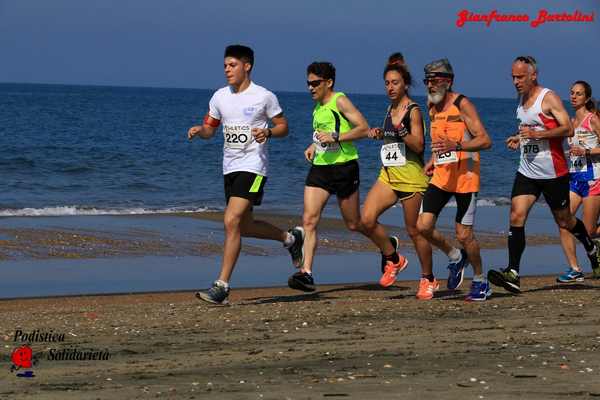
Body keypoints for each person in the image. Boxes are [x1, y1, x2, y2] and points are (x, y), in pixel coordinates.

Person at [188, 45, 304, 304]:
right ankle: (290, 238)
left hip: (254, 168)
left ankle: (222, 286)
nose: (227, 70)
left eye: (232, 65)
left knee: (231, 220)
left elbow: (283, 126)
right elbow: (211, 129)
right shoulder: (219, 97)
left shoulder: (264, 97)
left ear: (247, 66)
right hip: (229, 167)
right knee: (244, 225)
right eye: (225, 66)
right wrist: (200, 130)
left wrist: (270, 132)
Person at [488, 56, 600, 293]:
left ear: (533, 76)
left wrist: (537, 135)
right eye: (513, 77)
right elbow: (531, 130)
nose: (516, 82)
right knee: (516, 216)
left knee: (564, 220)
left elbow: (567, 129)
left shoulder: (547, 98)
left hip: (553, 173)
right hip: (527, 171)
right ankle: (513, 272)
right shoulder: (520, 100)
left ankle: (591, 248)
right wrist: (519, 138)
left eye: (520, 77)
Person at [287, 62, 370, 292]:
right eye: (308, 83)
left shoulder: (340, 100)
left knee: (354, 223)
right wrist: (313, 145)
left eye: (315, 83)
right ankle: (306, 273)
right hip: (321, 168)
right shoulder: (317, 107)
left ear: (329, 82)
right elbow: (322, 135)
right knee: (309, 220)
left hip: (345, 167)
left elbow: (363, 128)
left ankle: (389, 250)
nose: (310, 88)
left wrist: (335, 136)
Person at [416, 58, 493, 301]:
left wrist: (457, 145)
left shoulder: (462, 105)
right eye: (427, 80)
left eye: (435, 80)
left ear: (448, 81)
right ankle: (454, 256)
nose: (430, 85)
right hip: (442, 175)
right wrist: (432, 159)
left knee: (464, 235)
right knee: (423, 226)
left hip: (466, 178)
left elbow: (485, 140)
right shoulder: (431, 106)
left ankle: (480, 280)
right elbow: (439, 142)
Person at [361, 61, 436, 299]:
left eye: (395, 83)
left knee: (415, 231)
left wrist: (400, 130)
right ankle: (394, 258)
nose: (390, 87)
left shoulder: (412, 110)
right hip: (389, 175)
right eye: (387, 83)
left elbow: (419, 145)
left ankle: (428, 278)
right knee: (366, 219)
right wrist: (380, 133)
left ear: (405, 84)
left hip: (412, 178)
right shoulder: (390, 108)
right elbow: (392, 138)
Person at [557, 81, 600, 282]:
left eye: (579, 94)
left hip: (594, 179)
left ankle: (593, 249)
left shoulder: (593, 120)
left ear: (587, 98)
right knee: (564, 221)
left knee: (589, 231)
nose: (573, 96)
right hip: (574, 179)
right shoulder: (570, 122)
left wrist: (587, 151)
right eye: (572, 93)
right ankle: (575, 268)